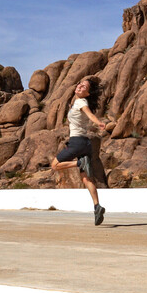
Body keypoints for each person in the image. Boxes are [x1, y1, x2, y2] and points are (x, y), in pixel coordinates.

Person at [51, 76, 107, 225]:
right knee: (86, 179)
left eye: (84, 87)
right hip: (86, 144)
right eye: (80, 84)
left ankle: (79, 163)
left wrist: (99, 123)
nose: (80, 87)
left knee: (55, 165)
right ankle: (97, 206)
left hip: (76, 142)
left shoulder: (82, 102)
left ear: (87, 94)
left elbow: (90, 114)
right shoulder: (77, 101)